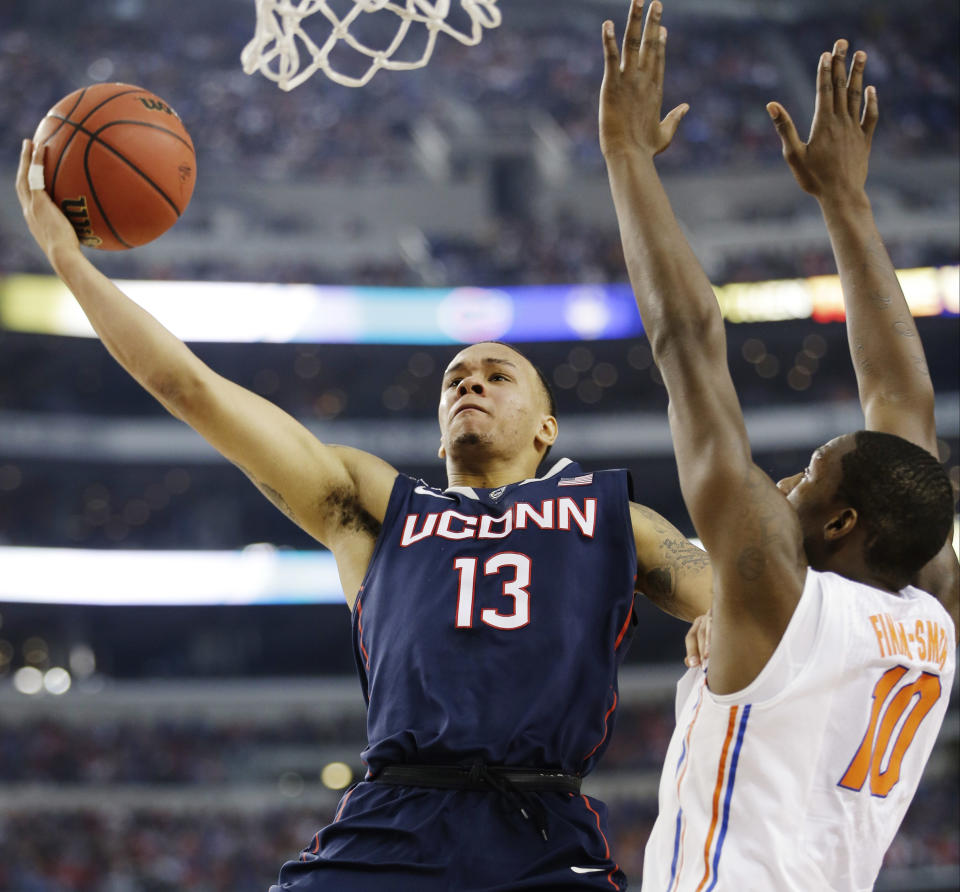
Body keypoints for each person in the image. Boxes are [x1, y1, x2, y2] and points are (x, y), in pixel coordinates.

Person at [16, 134, 712, 891]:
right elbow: (195, 390)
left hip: (544, 833)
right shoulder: (374, 507)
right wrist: (69, 264)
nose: (469, 385)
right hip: (390, 826)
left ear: (548, 430)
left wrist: (727, 614)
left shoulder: (612, 514)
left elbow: (746, 605)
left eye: (497, 375)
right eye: (454, 378)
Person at [598, 2, 958, 890]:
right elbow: (901, 405)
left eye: (807, 477)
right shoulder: (934, 616)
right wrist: (845, 200)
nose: (787, 480)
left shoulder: (778, 598)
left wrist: (626, 156)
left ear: (840, 520)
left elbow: (689, 346)